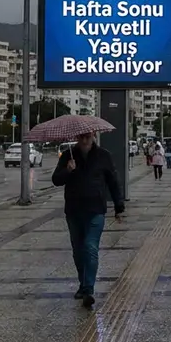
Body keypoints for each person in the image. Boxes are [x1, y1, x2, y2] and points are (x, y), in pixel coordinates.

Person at [52, 130, 125, 309]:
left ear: (93, 136)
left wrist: (119, 206)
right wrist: (67, 170)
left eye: (88, 136)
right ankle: (82, 284)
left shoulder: (103, 156)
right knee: (78, 251)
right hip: (74, 211)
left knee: (90, 247)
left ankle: (89, 289)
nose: (85, 139)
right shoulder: (68, 156)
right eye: (81, 137)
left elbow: (113, 181)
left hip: (96, 210)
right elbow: (56, 180)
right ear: (76, 138)